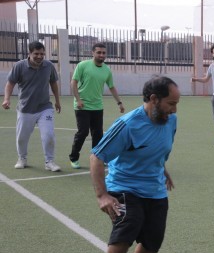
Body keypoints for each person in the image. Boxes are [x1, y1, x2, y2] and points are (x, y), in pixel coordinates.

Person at [88, 76, 180, 253]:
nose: (174, 110)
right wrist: (102, 196)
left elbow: (158, 149)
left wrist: (163, 170)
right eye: (171, 103)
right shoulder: (128, 125)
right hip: (124, 185)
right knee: (129, 224)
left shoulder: (170, 120)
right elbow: (97, 157)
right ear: (154, 99)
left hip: (154, 188)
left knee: (153, 241)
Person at [2, 40, 62, 171]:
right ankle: (22, 158)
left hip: (45, 108)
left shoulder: (49, 66)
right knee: (22, 137)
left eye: (42, 54)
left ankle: (49, 161)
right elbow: (10, 83)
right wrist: (6, 99)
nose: (39, 56)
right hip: (25, 109)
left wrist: (57, 101)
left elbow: (53, 83)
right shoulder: (19, 66)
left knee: (48, 135)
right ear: (29, 53)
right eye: (36, 54)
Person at [68, 42, 125, 169]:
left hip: (97, 106)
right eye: (98, 52)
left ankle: (97, 158)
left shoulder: (107, 70)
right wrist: (78, 99)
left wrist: (119, 103)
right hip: (82, 105)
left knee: (98, 135)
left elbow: (111, 87)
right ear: (93, 53)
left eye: (103, 53)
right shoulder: (83, 65)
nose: (101, 55)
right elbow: (74, 82)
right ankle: (74, 158)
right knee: (83, 132)